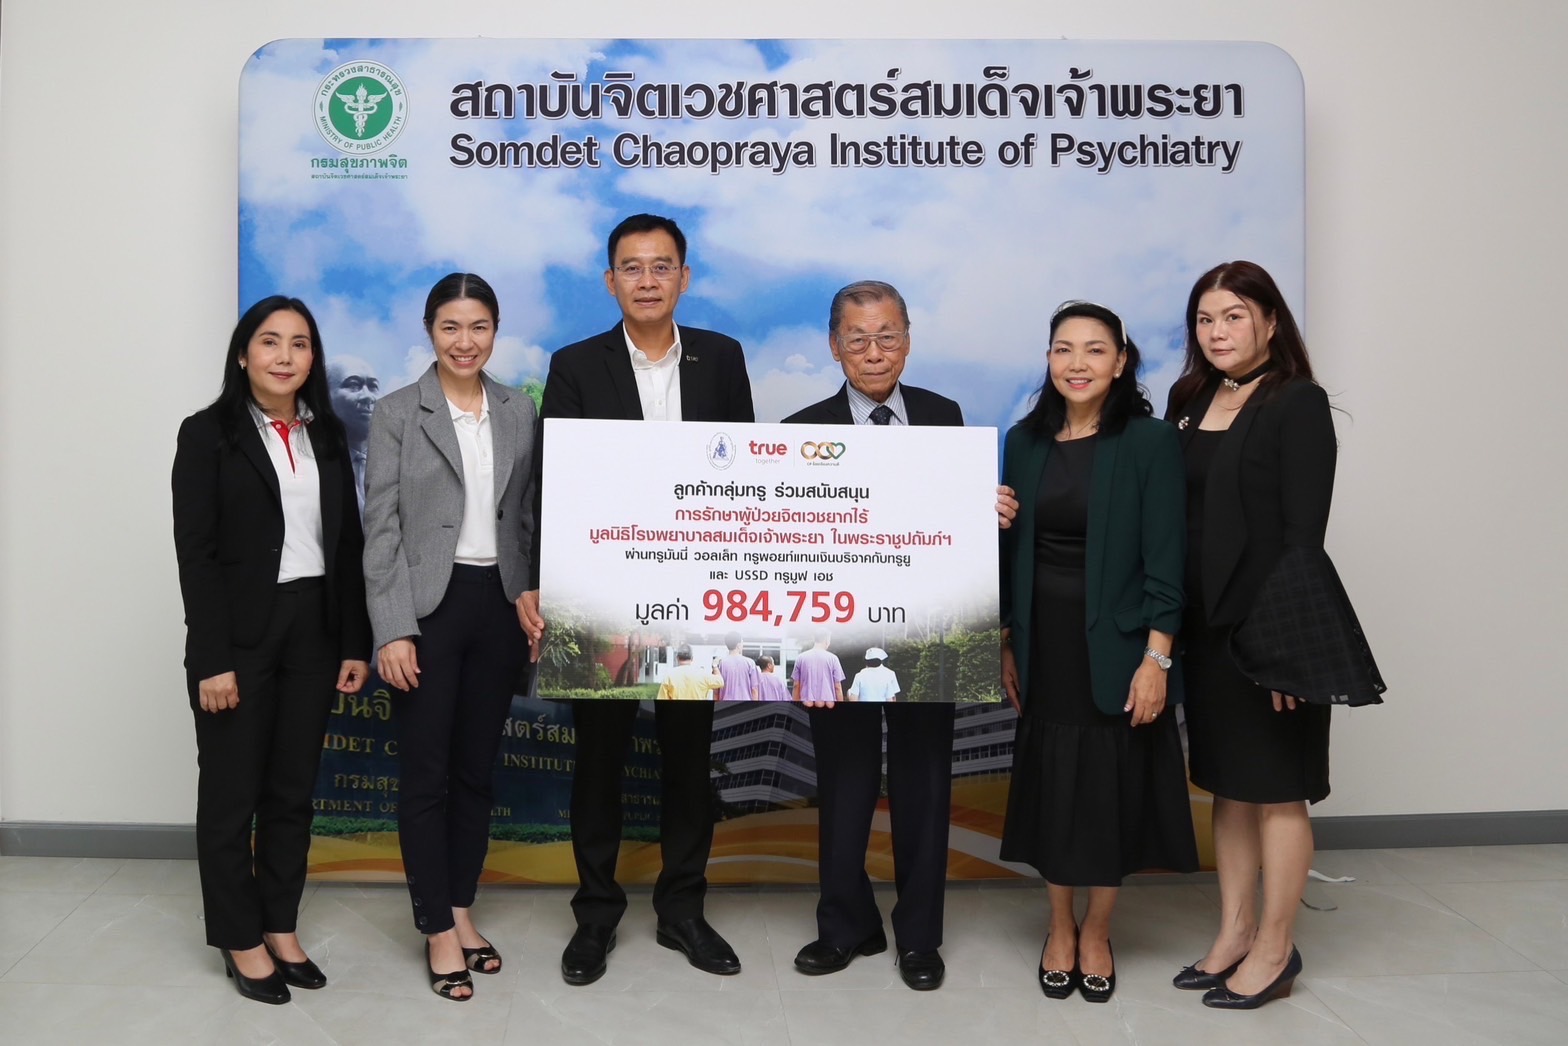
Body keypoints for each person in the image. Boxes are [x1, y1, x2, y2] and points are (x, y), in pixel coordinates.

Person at [781, 279, 1018, 991]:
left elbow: (952, 526)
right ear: (835, 347)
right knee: (844, 783)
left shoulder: (946, 418)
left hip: (931, 633)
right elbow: (785, 544)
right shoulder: (799, 430)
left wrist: (988, 512)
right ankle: (845, 925)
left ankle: (920, 937)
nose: (874, 351)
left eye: (887, 336)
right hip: (836, 637)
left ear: (908, 341)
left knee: (925, 783)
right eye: (858, 338)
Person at [537, 213, 755, 985]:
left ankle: (682, 910)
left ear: (684, 278)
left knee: (688, 759)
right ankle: (595, 914)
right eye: (632, 267)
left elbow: (743, 479)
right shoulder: (575, 365)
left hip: (695, 595)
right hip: (602, 593)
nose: (648, 280)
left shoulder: (721, 358)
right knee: (597, 760)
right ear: (611, 281)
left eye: (662, 266)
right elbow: (558, 482)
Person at [172, 296, 371, 1005]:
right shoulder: (207, 434)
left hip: (313, 629)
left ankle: (281, 926)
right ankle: (240, 937)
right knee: (232, 795)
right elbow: (196, 554)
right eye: (270, 341)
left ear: (313, 358)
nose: (285, 356)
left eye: (300, 343)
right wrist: (212, 659)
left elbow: (346, 547)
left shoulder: (327, 434)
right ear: (242, 353)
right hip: (239, 636)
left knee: (292, 791)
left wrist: (354, 642)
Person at [998, 300, 1198, 1004]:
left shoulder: (1149, 441)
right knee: (1056, 791)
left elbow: (1168, 559)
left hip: (1118, 647)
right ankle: (1059, 926)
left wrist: (1157, 658)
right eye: (1063, 349)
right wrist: (1006, 639)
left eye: (1094, 349)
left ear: (1121, 361)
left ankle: (1098, 931)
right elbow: (1011, 553)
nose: (1076, 363)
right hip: (1043, 644)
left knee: (1110, 793)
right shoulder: (1023, 441)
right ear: (1048, 360)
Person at [362, 272, 544, 1001]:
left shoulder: (520, 410)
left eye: (478, 327)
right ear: (429, 330)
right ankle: (436, 927)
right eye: (450, 327)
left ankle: (462, 910)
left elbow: (527, 517)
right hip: (427, 611)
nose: (464, 342)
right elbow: (381, 529)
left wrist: (533, 595)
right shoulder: (397, 412)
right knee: (426, 775)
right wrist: (393, 629)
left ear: (495, 330)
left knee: (476, 772)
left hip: (499, 605)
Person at [1164, 261, 1336, 1009]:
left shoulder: (1298, 402)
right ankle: (1234, 933)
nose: (1218, 332)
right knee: (1229, 787)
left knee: (1278, 791)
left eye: (1234, 316)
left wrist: (1286, 651)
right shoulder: (1191, 398)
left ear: (1269, 320)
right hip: (1204, 630)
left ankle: (1275, 947)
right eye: (1205, 319)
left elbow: (1303, 538)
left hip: (1269, 630)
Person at [326, 355, 381, 517]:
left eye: (373, 387)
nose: (368, 396)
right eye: (353, 385)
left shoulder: (400, 462)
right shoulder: (308, 464)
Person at [791, 632, 844, 705]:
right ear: (827, 640)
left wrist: (795, 705)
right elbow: (837, 687)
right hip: (828, 704)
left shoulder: (800, 658)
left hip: (806, 705)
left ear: (814, 639)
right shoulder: (833, 659)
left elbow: (796, 685)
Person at [658, 646, 724, 701]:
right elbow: (720, 682)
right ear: (692, 658)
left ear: (677, 658)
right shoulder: (702, 674)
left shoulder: (669, 676)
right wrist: (715, 665)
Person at [716, 632, 761, 701]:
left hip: (725, 703)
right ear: (738, 645)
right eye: (742, 643)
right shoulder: (750, 663)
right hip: (745, 703)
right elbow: (754, 689)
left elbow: (716, 690)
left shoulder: (720, 664)